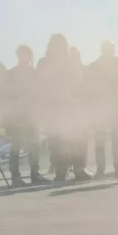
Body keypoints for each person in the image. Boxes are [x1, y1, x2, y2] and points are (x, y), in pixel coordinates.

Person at [37, 34, 91, 182]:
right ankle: (65, 169)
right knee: (59, 139)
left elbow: (79, 80)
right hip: (56, 105)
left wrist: (77, 61)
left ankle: (74, 168)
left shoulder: (68, 62)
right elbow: (41, 84)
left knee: (75, 137)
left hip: (66, 105)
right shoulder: (46, 63)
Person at [2, 45, 48, 185]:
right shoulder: (11, 74)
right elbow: (6, 95)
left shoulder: (34, 73)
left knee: (34, 146)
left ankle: (35, 174)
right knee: (16, 146)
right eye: (22, 54)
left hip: (32, 115)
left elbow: (40, 92)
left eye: (27, 55)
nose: (25, 58)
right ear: (18, 56)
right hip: (17, 116)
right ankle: (15, 176)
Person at [86, 40, 118, 177]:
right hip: (103, 105)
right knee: (105, 138)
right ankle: (105, 168)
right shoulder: (97, 66)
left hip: (112, 105)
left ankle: (114, 168)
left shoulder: (116, 65)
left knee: (113, 137)